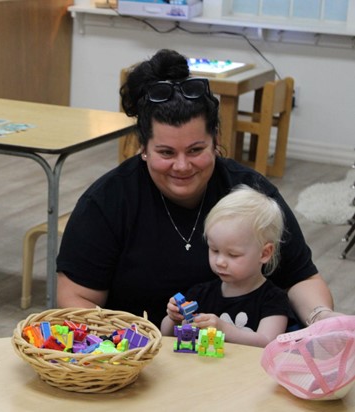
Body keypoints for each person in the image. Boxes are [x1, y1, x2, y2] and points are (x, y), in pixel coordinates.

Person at [56, 49, 338, 330]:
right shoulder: (108, 201)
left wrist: (319, 317)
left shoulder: (250, 192)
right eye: (166, 152)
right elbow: (75, 297)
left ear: (215, 140)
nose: (182, 166)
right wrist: (135, 342)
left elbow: (300, 277)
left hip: (246, 353)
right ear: (143, 148)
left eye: (196, 150)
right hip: (142, 351)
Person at [160, 185, 290, 347]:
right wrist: (173, 319)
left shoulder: (273, 299)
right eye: (214, 250)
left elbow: (268, 343)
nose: (220, 261)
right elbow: (166, 336)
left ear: (264, 253)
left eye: (233, 254)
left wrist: (223, 329)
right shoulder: (200, 294)